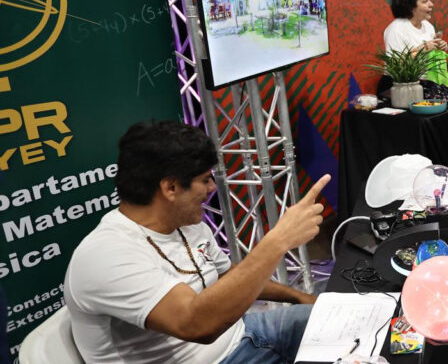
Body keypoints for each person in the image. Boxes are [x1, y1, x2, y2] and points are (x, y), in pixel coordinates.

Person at [64, 121, 331, 363]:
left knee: (344, 324)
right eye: (204, 180)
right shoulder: (107, 255)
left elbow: (231, 277)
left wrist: (299, 297)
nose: (212, 187)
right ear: (171, 188)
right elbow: (196, 324)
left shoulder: (188, 225)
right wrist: (277, 241)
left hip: (245, 334)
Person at [383, 0, 447, 53]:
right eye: (425, 1)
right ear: (411, 7)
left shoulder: (428, 26)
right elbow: (394, 60)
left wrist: (439, 47)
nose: (431, 4)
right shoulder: (396, 30)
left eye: (429, 0)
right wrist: (421, 50)